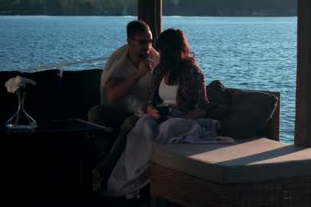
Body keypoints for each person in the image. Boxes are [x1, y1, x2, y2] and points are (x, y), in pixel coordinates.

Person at [106, 28, 232, 199]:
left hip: (185, 119)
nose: (159, 54)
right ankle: (125, 181)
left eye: (163, 51)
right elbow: (152, 100)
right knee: (142, 125)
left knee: (168, 127)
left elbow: (202, 108)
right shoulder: (160, 70)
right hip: (162, 116)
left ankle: (134, 183)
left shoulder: (192, 71)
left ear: (173, 50)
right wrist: (150, 109)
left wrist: (180, 117)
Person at [87, 20, 159, 189]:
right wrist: (138, 74)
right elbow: (111, 96)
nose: (147, 46)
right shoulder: (121, 63)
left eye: (149, 41)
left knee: (129, 124)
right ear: (130, 43)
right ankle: (104, 157)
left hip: (145, 113)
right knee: (95, 113)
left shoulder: (156, 62)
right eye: (142, 42)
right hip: (123, 110)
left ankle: (102, 170)